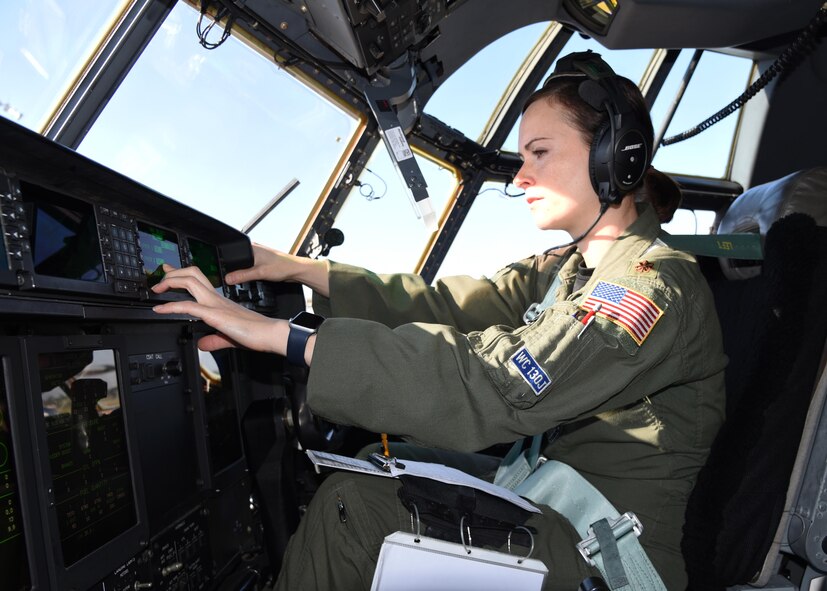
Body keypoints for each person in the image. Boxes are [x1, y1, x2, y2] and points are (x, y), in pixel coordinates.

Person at [152, 52, 726, 590]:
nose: (519, 177)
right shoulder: (570, 270)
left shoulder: (650, 286)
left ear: (613, 157)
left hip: (603, 550)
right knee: (374, 462)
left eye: (540, 154)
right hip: (546, 489)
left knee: (349, 512)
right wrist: (297, 269)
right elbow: (444, 306)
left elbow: (499, 383)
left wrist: (289, 338)